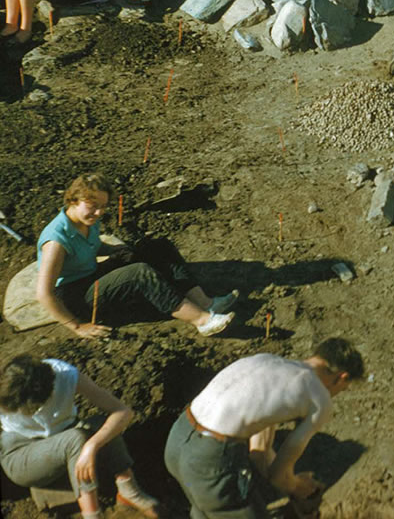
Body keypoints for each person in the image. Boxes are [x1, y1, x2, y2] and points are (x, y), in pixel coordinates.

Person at [164, 338, 364, 517]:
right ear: (342, 377)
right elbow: (278, 475)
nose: (336, 394)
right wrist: (299, 487)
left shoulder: (267, 361)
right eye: (343, 389)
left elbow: (259, 452)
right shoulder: (320, 398)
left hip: (178, 440)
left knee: (205, 511)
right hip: (211, 458)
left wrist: (290, 481)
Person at [36, 172, 236, 339]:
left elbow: (90, 246)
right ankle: (202, 320)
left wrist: (115, 251)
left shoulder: (86, 220)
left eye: (103, 206)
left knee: (156, 247)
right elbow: (44, 294)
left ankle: (206, 303)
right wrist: (77, 326)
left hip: (90, 275)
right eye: (93, 205)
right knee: (139, 273)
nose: (98, 212)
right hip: (77, 298)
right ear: (73, 200)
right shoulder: (55, 241)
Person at [0, 354, 161, 518]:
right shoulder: (4, 389)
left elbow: (123, 412)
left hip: (65, 437)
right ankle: (92, 515)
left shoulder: (63, 374)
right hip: (22, 455)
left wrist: (92, 446)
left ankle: (129, 492)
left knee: (103, 424)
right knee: (75, 439)